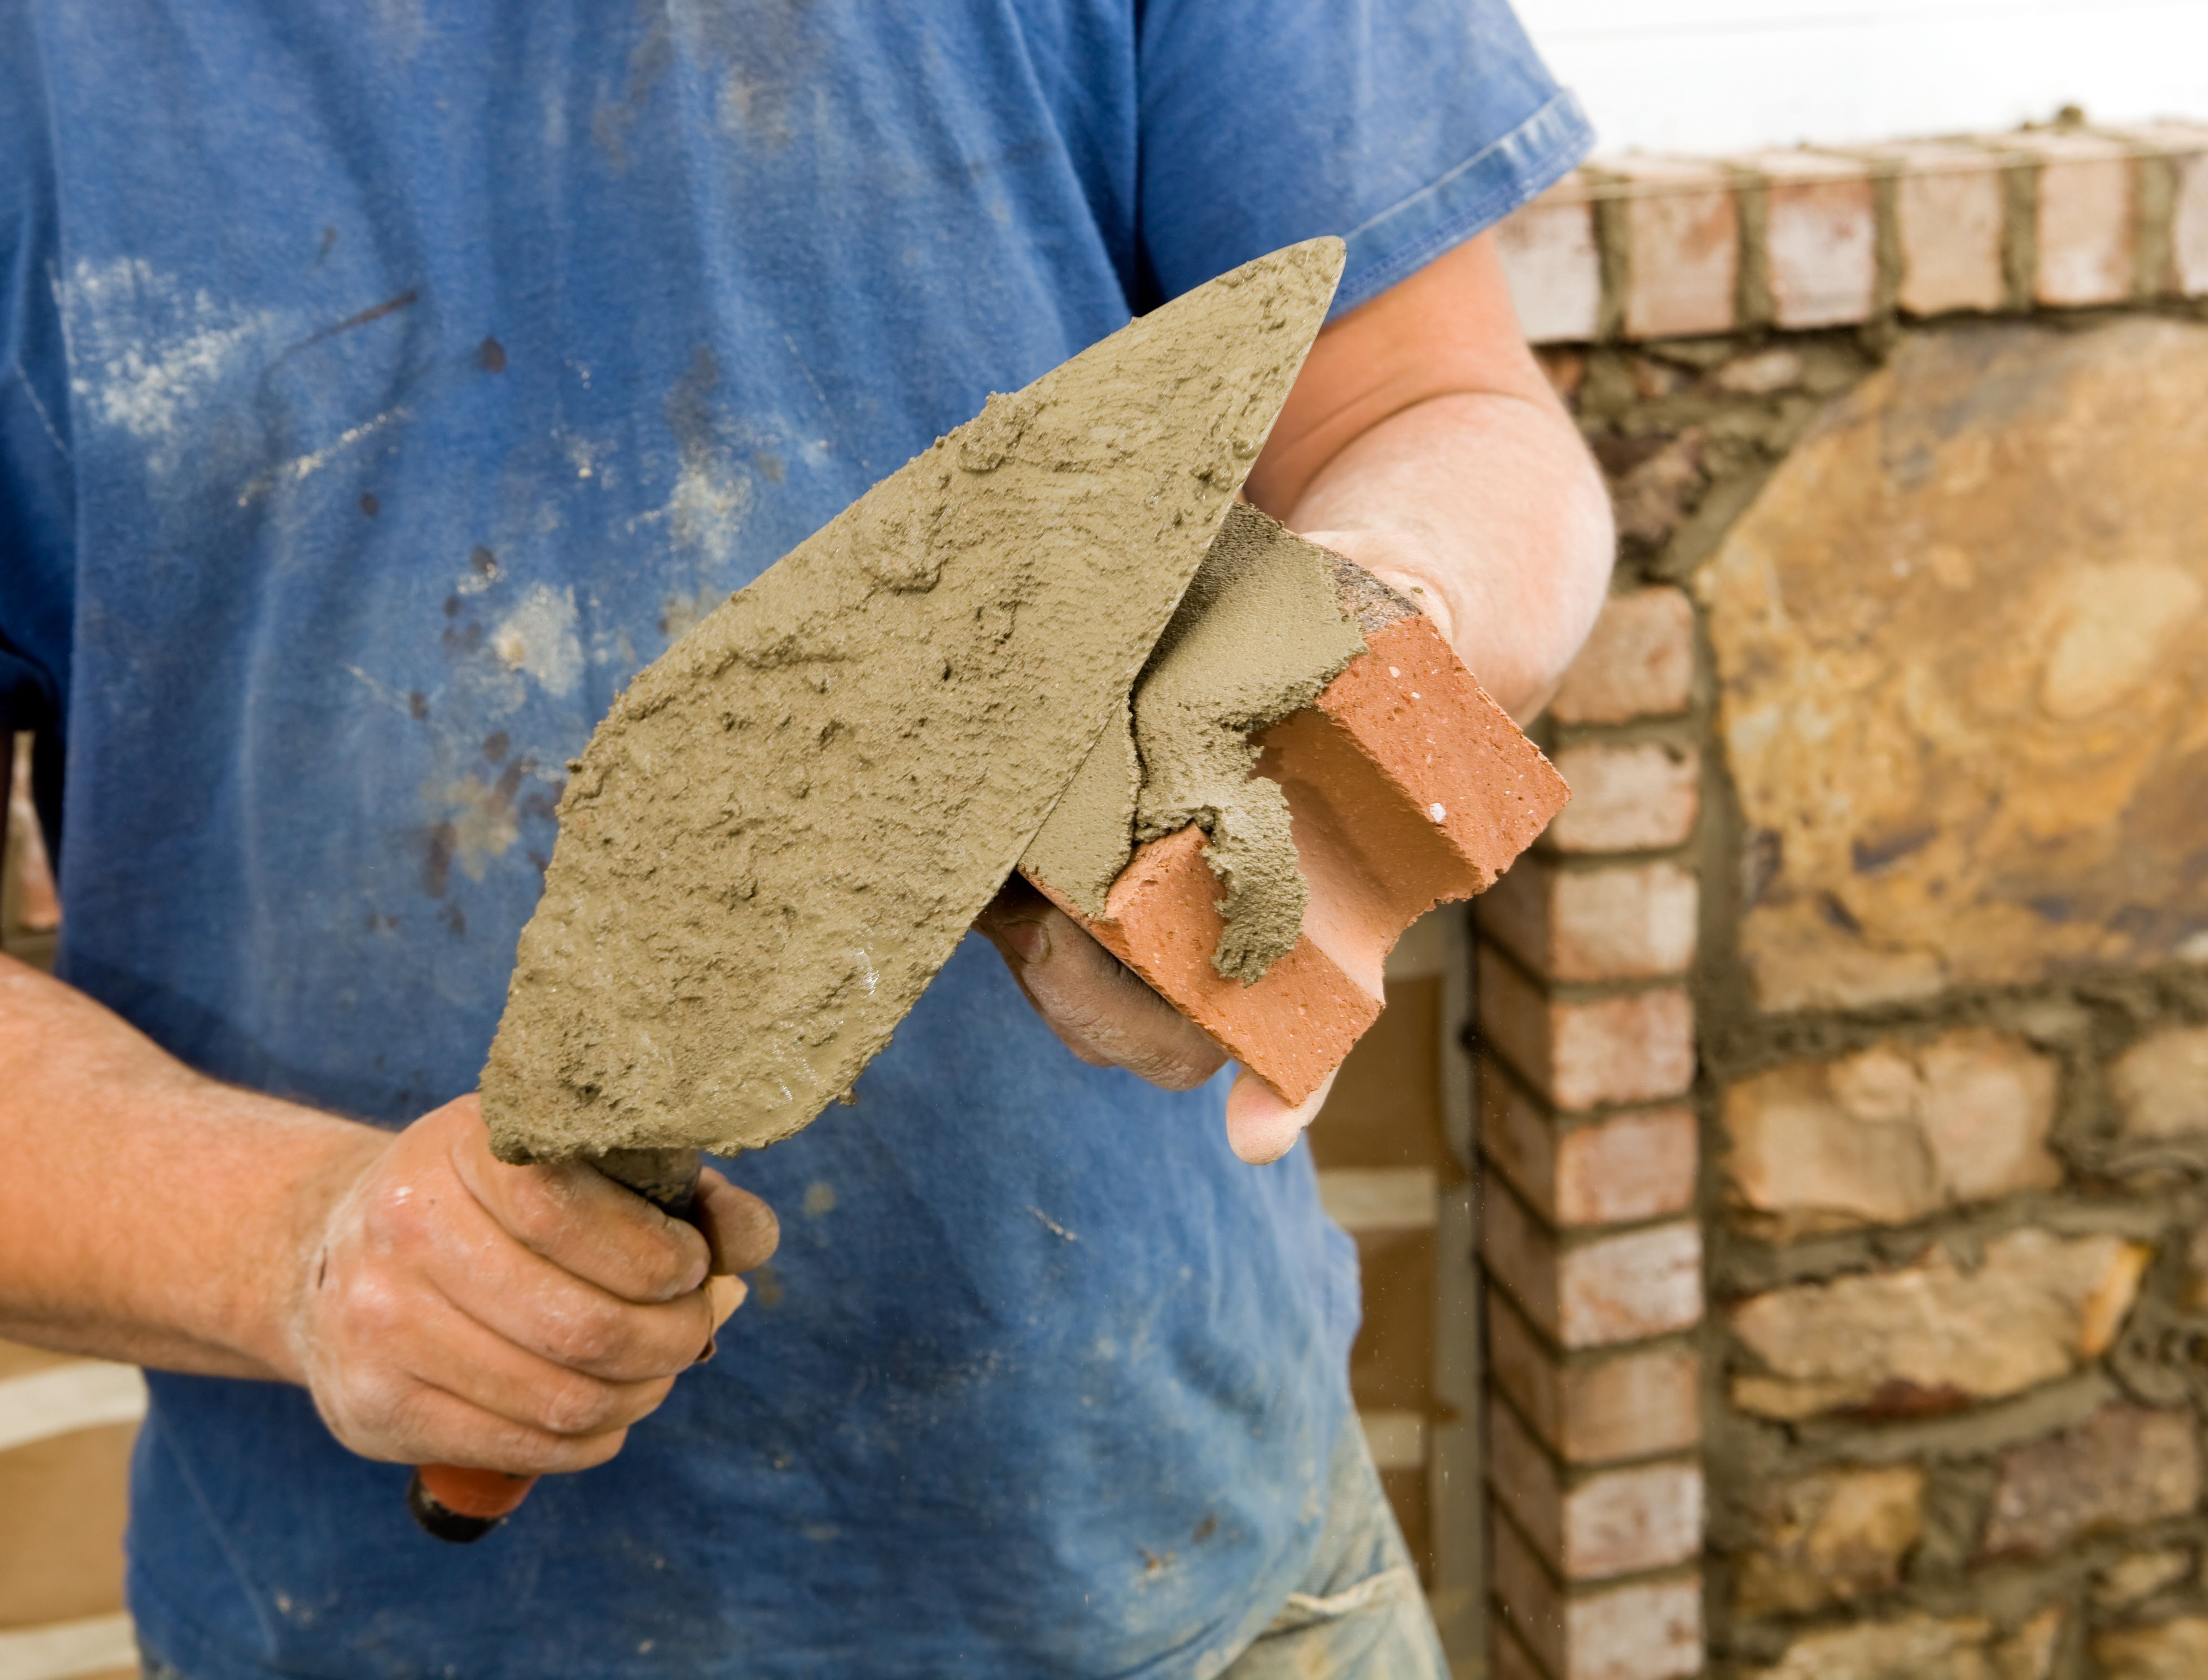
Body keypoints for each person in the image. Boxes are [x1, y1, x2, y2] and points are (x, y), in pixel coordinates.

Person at [0, 3, 1613, 1675]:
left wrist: (1308, 702)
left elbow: (1444, 417)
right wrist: (303, 1244)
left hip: (1162, 1565)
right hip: (372, 1628)